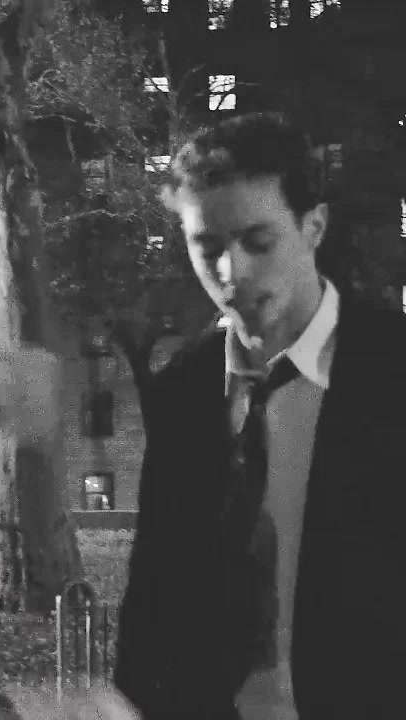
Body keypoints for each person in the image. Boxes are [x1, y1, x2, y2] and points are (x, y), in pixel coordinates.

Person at [108, 112, 406, 720]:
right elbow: (155, 590)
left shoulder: (391, 370)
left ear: (314, 226)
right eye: (208, 248)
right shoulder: (184, 389)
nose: (231, 272)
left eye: (258, 242)